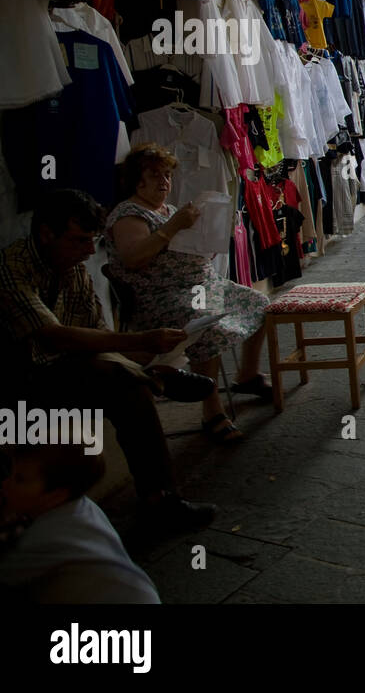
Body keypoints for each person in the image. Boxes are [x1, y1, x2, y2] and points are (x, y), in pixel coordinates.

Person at [0, 189, 215, 533]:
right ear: (45, 234)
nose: (89, 251)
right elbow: (53, 336)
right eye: (80, 240)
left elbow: (95, 332)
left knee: (125, 386)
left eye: (93, 240)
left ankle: (158, 497)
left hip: (65, 369)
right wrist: (140, 340)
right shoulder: (12, 269)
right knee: (110, 374)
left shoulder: (73, 270)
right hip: (18, 379)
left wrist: (131, 353)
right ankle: (155, 380)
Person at [105, 144, 273, 444]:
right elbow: (133, 258)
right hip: (161, 297)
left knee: (259, 302)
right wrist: (173, 228)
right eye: (155, 175)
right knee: (205, 322)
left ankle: (247, 375)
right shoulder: (128, 214)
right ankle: (212, 412)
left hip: (200, 286)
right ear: (136, 180)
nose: (164, 182)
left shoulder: (168, 210)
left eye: (167, 175)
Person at [0, 443, 161, 603]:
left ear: (57, 495)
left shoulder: (42, 539)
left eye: (19, 479)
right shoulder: (84, 506)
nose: (5, 484)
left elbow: (7, 573)